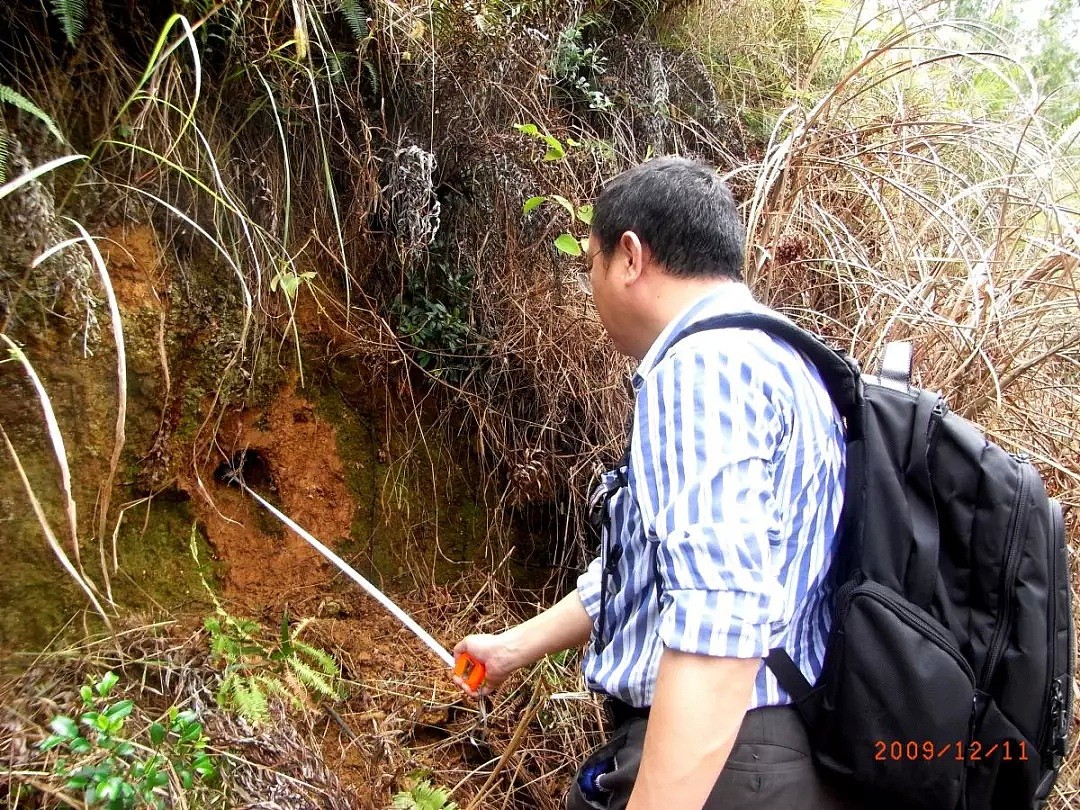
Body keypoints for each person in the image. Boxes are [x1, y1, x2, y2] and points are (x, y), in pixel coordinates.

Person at [453, 156, 854, 809]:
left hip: (724, 764)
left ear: (630, 257)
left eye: (591, 263)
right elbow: (648, 575)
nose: (591, 286)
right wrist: (510, 648)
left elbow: (721, 621)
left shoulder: (703, 368)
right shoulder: (782, 359)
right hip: (767, 753)